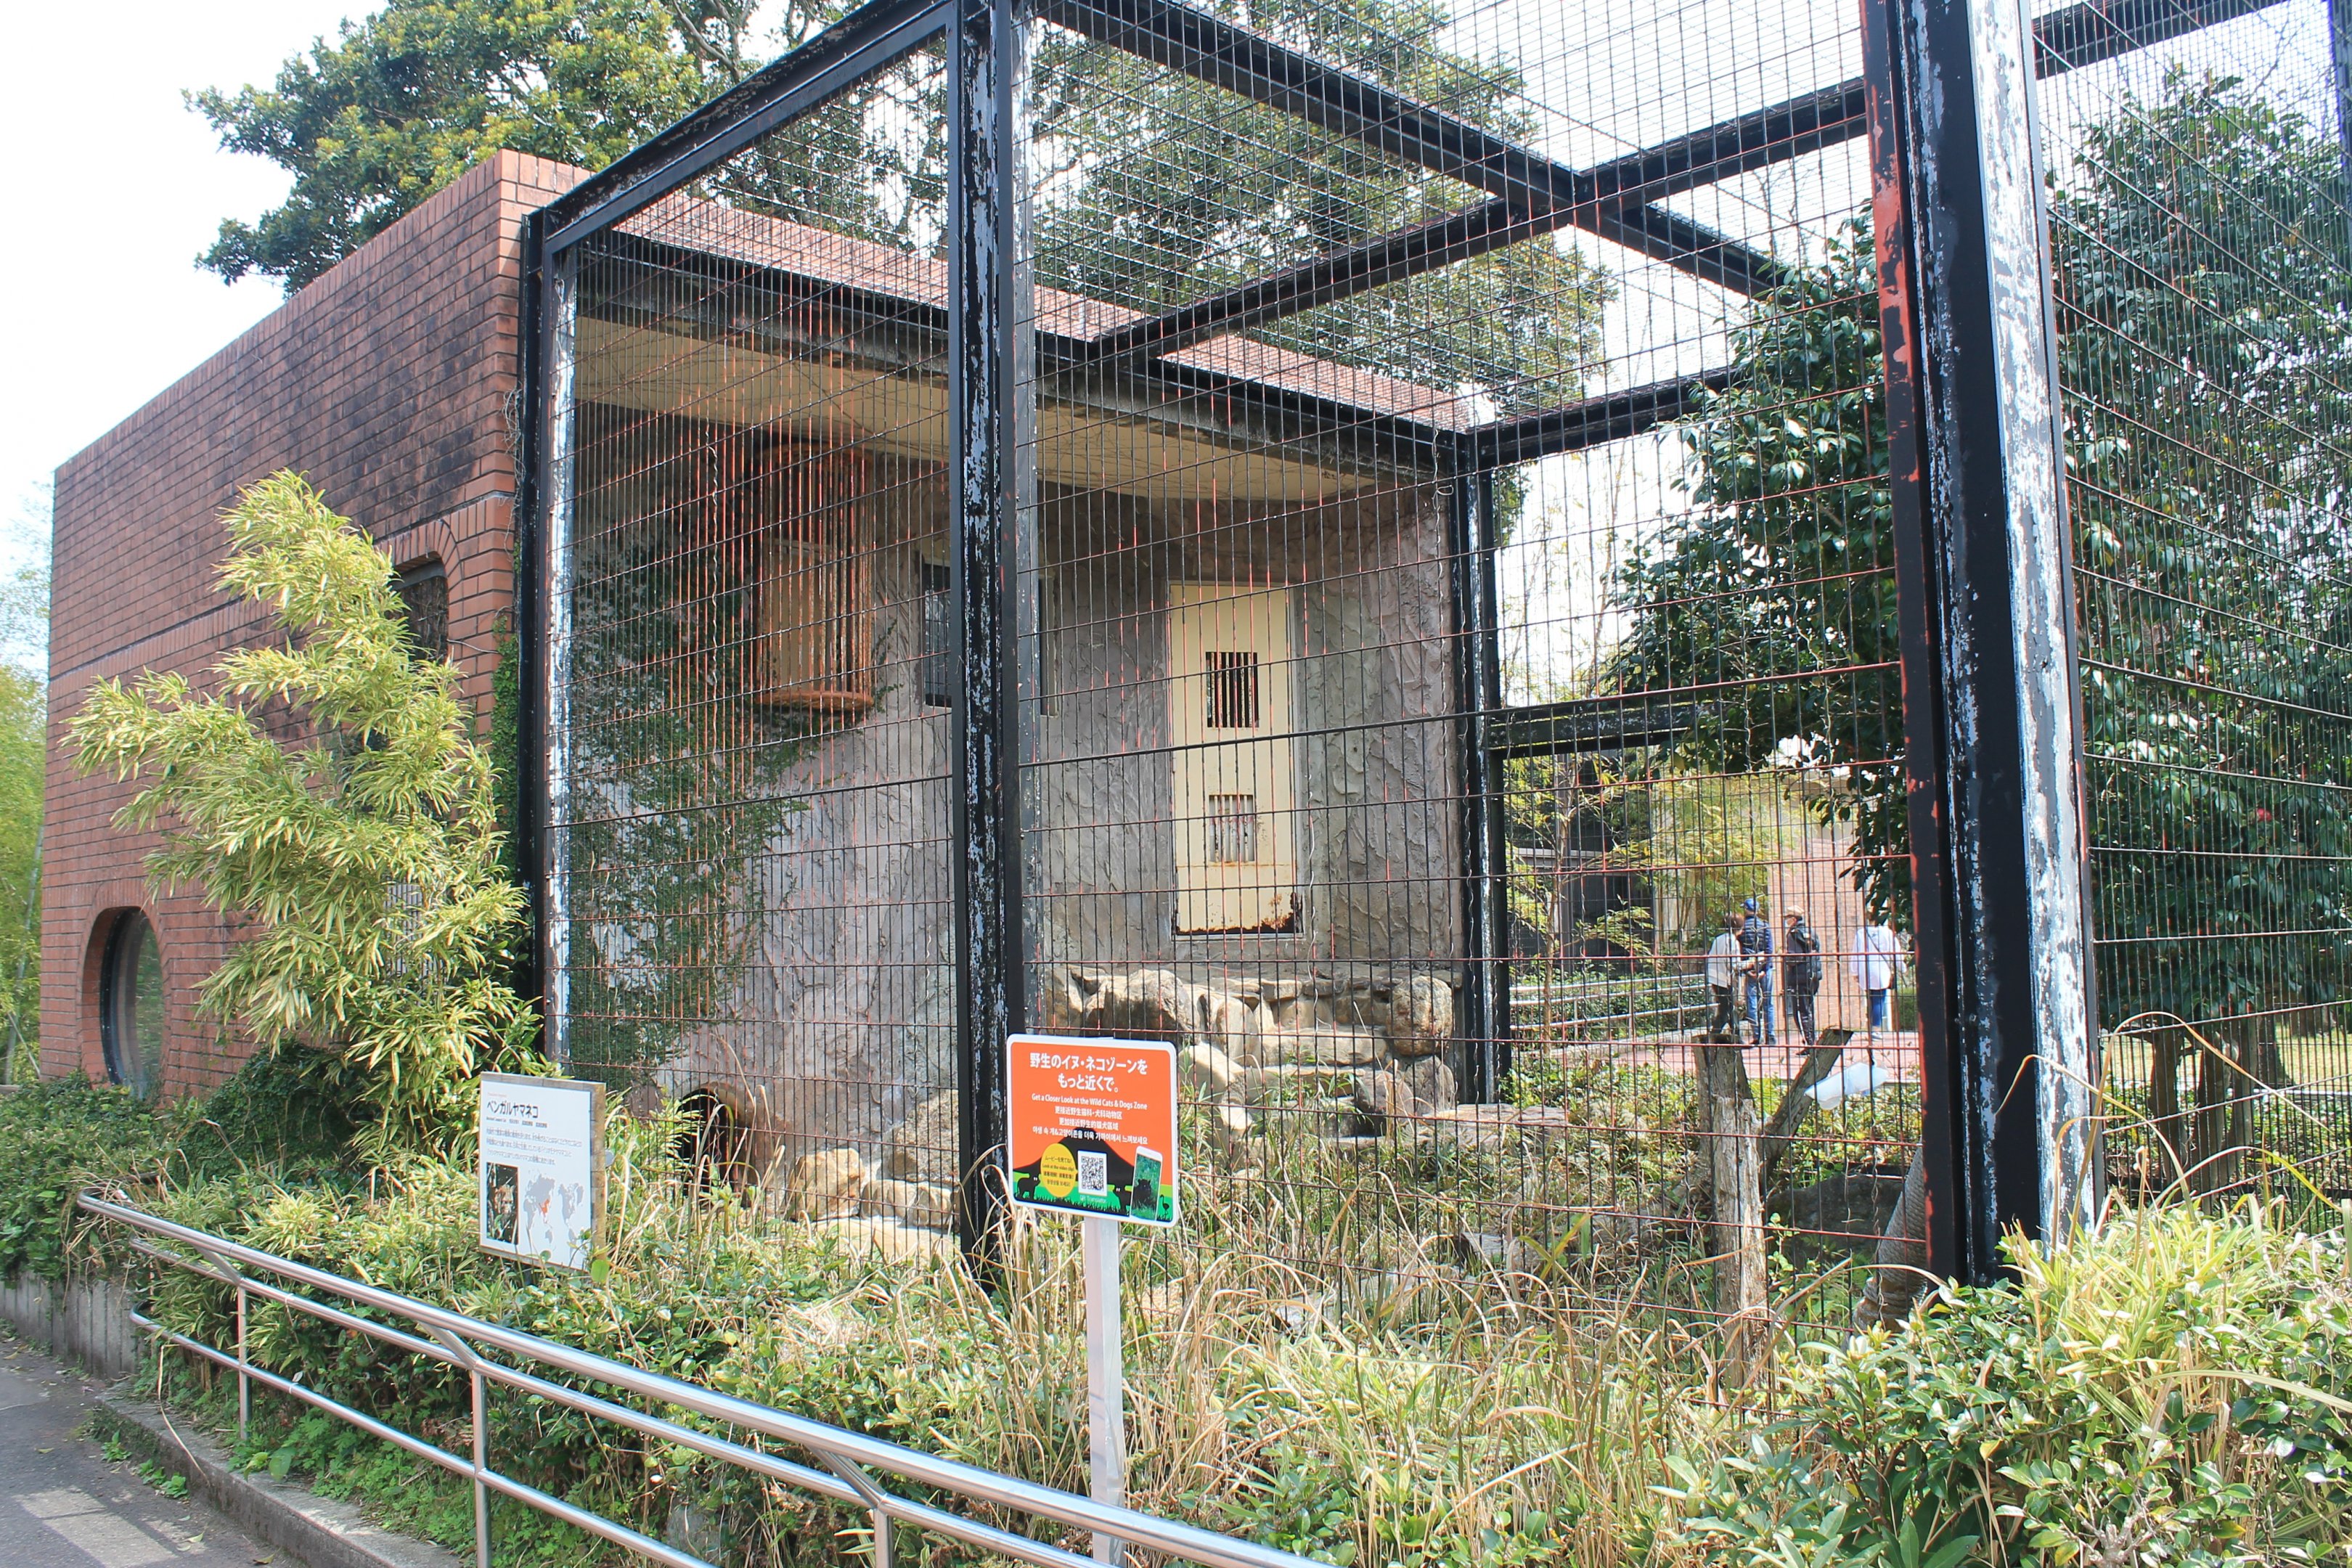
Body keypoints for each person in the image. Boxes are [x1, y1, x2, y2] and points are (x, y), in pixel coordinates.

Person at [1853, 917, 1903, 1038]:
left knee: (1870, 998)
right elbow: (1896, 952)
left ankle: (1871, 1027)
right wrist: (1902, 967)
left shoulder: (1861, 933)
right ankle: (1876, 1028)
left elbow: (1855, 953)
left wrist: (1854, 971)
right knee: (1879, 999)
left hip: (1865, 968)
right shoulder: (1887, 932)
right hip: (1881, 968)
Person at [1783, 907, 1822, 1048]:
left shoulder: (1793, 934)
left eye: (1787, 918)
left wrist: (1785, 956)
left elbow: (1795, 957)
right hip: (1813, 975)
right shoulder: (1811, 932)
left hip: (1799, 975)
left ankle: (1810, 1043)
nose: (1786, 921)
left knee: (1801, 1011)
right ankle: (1812, 1041)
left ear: (1793, 919)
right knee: (1809, 1008)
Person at [1739, 895, 1774, 1048]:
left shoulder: (1742, 929)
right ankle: (1770, 1036)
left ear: (1747, 910)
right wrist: (1765, 969)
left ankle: (1756, 1036)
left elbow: (1741, 952)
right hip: (1765, 968)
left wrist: (1747, 971)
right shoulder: (1765, 926)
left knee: (1752, 1003)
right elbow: (1769, 950)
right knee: (1768, 1003)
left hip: (1749, 967)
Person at [1705, 915, 1741, 1040]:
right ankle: (1712, 1036)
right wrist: (1749, 964)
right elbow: (1734, 964)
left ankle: (1737, 1036)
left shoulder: (1718, 939)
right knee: (1726, 1010)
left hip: (1715, 978)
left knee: (1729, 1008)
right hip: (1726, 979)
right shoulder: (1733, 941)